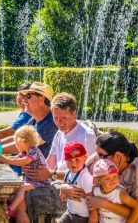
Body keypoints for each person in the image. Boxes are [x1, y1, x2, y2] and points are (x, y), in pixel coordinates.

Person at [17, 93, 97, 223]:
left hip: (76, 190)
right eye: (56, 118)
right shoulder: (59, 133)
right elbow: (49, 163)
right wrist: (34, 171)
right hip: (59, 183)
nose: (59, 122)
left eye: (64, 118)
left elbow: (88, 173)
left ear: (74, 114)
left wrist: (51, 175)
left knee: (22, 200)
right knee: (16, 193)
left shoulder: (85, 135)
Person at [0, 82, 56, 163]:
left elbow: (24, 144)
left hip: (43, 177)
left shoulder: (51, 122)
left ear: (41, 98)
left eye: (28, 96)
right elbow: (16, 138)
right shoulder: (34, 120)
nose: (24, 100)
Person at [86, 131, 138, 223]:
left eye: (101, 155)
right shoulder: (99, 160)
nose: (97, 159)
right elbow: (76, 173)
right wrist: (65, 188)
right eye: (97, 154)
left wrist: (103, 203)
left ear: (118, 156)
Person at [0, 125, 49, 218]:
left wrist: (5, 160)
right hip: (31, 181)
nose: (15, 145)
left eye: (16, 142)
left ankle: (11, 209)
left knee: (22, 188)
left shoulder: (34, 151)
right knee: (13, 189)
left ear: (23, 142)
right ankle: (13, 208)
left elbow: (22, 161)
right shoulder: (24, 152)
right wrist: (2, 159)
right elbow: (14, 158)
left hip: (41, 182)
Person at [88, 159, 138, 223]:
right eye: (108, 178)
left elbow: (137, 207)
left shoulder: (120, 193)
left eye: (115, 176)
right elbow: (90, 201)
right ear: (98, 180)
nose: (112, 180)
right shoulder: (96, 190)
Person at [57, 142, 94, 223]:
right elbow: (65, 183)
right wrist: (62, 191)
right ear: (65, 160)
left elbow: (90, 198)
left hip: (81, 216)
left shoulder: (85, 176)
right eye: (69, 160)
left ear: (85, 158)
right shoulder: (68, 172)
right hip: (70, 211)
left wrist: (92, 216)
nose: (73, 163)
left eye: (77, 159)